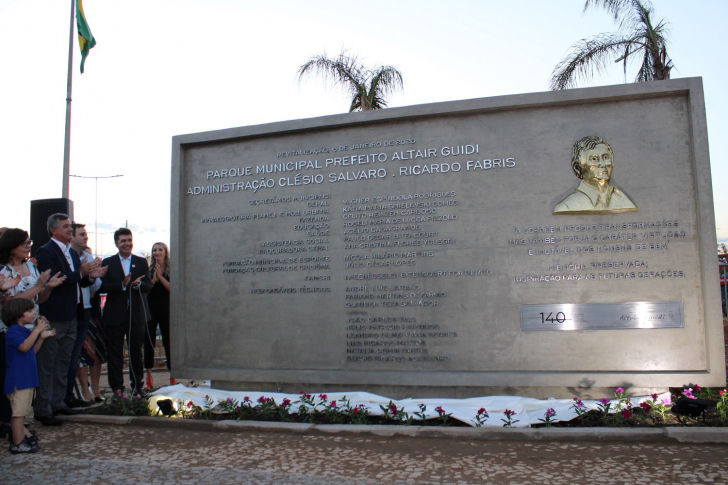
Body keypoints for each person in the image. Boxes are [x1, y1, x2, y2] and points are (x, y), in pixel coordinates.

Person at [34, 214, 103, 425]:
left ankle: (59, 403)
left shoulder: (71, 253)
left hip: (73, 315)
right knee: (48, 364)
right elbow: (58, 279)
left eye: (69, 227)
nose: (69, 230)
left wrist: (91, 276)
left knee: (64, 363)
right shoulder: (45, 251)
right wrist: (80, 272)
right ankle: (43, 409)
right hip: (54, 316)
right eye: (65, 227)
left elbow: (78, 283)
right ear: (53, 230)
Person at [101, 228, 151, 393]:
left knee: (136, 352)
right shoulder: (108, 262)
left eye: (129, 240)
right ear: (116, 243)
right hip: (114, 315)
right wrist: (123, 285)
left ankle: (137, 386)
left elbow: (148, 286)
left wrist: (138, 285)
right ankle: (116, 388)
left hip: (136, 315)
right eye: (123, 241)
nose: (127, 243)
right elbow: (103, 285)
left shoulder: (141, 261)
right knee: (114, 353)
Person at [3, 298, 56, 453]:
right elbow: (24, 347)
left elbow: (32, 351)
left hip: (27, 378)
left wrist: (41, 337)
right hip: (18, 379)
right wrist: (37, 331)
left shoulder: (25, 331)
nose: (33, 314)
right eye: (29, 311)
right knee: (18, 413)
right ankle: (17, 442)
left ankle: (22, 437)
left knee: (23, 412)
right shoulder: (13, 331)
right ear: (19, 315)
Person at [65, 224, 104, 407]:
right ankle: (82, 391)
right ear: (71, 237)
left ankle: (94, 390)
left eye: (86, 234)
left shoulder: (88, 257)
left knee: (93, 353)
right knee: (77, 355)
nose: (86, 237)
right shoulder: (67, 257)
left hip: (88, 309)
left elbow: (96, 288)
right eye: (82, 234)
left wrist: (95, 275)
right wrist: (82, 273)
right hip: (72, 309)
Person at [553, 135, 638, 214]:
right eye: (594, 159)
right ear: (577, 167)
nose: (602, 164)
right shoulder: (567, 207)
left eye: (605, 157)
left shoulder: (623, 200)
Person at [144, 242, 178, 388]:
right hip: (151, 309)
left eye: (160, 250)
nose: (157, 252)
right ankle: (149, 377)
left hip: (167, 309)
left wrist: (160, 277)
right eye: (154, 250)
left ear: (166, 252)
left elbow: (173, 289)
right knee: (149, 342)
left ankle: (173, 376)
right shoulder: (148, 268)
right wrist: (152, 281)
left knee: (168, 342)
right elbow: (146, 290)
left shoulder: (171, 269)